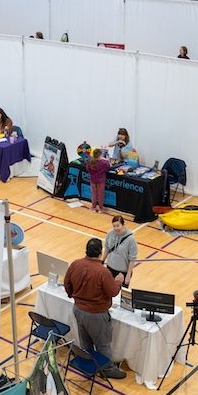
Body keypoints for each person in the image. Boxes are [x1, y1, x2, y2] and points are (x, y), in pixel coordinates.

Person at [63, 238, 126, 379]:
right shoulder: (102, 272)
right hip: (96, 314)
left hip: (78, 309)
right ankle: (107, 369)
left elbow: (66, 283)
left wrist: (73, 296)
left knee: (85, 341)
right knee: (103, 344)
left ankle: (88, 364)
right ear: (100, 252)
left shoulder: (75, 264)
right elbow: (113, 292)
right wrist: (118, 282)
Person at [104, 215, 138, 287]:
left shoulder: (131, 239)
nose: (116, 228)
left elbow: (132, 259)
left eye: (118, 225)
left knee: (120, 295)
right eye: (114, 226)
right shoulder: (110, 234)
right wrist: (101, 262)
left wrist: (128, 275)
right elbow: (106, 249)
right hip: (110, 268)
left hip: (122, 272)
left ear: (123, 224)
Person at [85, 148, 111, 213]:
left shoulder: (90, 161)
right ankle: (100, 208)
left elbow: (87, 169)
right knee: (100, 195)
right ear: (100, 155)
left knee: (94, 194)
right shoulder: (104, 163)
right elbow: (109, 166)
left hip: (93, 180)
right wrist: (106, 160)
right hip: (100, 181)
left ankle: (93, 207)